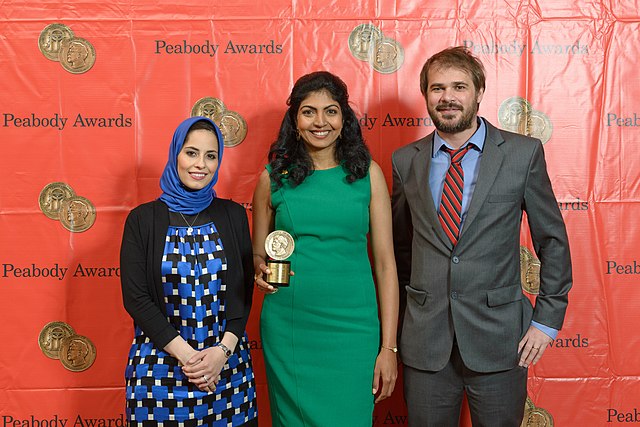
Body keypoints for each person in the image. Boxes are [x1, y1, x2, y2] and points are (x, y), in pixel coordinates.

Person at [391, 46, 572, 426]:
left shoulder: (522, 154)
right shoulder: (405, 160)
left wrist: (546, 321)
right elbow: (400, 249)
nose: (448, 98)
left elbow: (552, 239)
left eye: (459, 87)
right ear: (425, 95)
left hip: (500, 340)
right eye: (437, 88)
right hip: (425, 343)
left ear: (479, 92)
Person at [252, 71, 399, 426]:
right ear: (295, 120)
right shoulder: (273, 178)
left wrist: (389, 347)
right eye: (309, 111)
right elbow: (260, 253)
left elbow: (385, 265)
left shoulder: (369, 176)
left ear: (344, 118)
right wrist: (260, 270)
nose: (320, 122)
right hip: (291, 328)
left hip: (354, 329)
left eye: (330, 111)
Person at [120, 117, 257, 426]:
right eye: (191, 153)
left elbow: (243, 292)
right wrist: (191, 360)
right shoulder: (142, 220)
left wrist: (221, 353)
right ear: (175, 155)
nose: (201, 164)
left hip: (226, 368)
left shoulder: (234, 215)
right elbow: (136, 298)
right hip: (159, 371)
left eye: (211, 156)